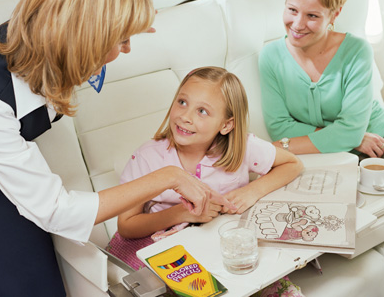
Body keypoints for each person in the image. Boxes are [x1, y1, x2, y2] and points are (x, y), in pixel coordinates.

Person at [0, 0, 232, 297]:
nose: (125, 50)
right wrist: (168, 177)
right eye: (121, 39)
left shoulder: (48, 47)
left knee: (38, 266)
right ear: (84, 37)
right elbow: (56, 211)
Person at [107, 66, 303, 271]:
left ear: (226, 125)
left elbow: (292, 164)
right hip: (160, 244)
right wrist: (182, 213)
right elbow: (126, 225)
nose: (185, 116)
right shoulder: (147, 157)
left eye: (202, 111)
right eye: (182, 102)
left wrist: (252, 191)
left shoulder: (244, 148)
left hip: (216, 242)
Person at [259, 0, 384, 186]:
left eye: (312, 16)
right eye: (292, 10)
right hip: (341, 153)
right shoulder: (270, 57)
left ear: (334, 15)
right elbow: (280, 127)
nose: (297, 24)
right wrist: (351, 137)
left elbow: (347, 130)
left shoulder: (357, 51)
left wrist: (349, 134)